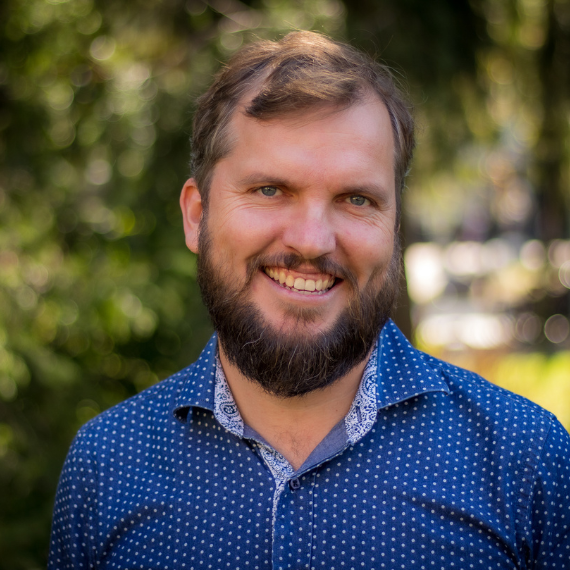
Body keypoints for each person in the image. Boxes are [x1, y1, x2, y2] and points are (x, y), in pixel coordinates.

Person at [49, 31, 570, 570]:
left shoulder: (525, 459)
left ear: (394, 225)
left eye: (356, 199)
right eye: (270, 189)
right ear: (197, 215)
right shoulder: (107, 464)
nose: (311, 240)